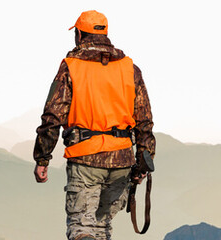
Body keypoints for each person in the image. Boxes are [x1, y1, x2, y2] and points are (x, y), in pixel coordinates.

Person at [32, 10, 156, 240]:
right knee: (101, 228)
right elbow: (144, 121)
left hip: (85, 158)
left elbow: (52, 115)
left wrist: (42, 158)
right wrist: (143, 163)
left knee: (82, 229)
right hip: (122, 160)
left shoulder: (71, 66)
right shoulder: (130, 69)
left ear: (79, 34)